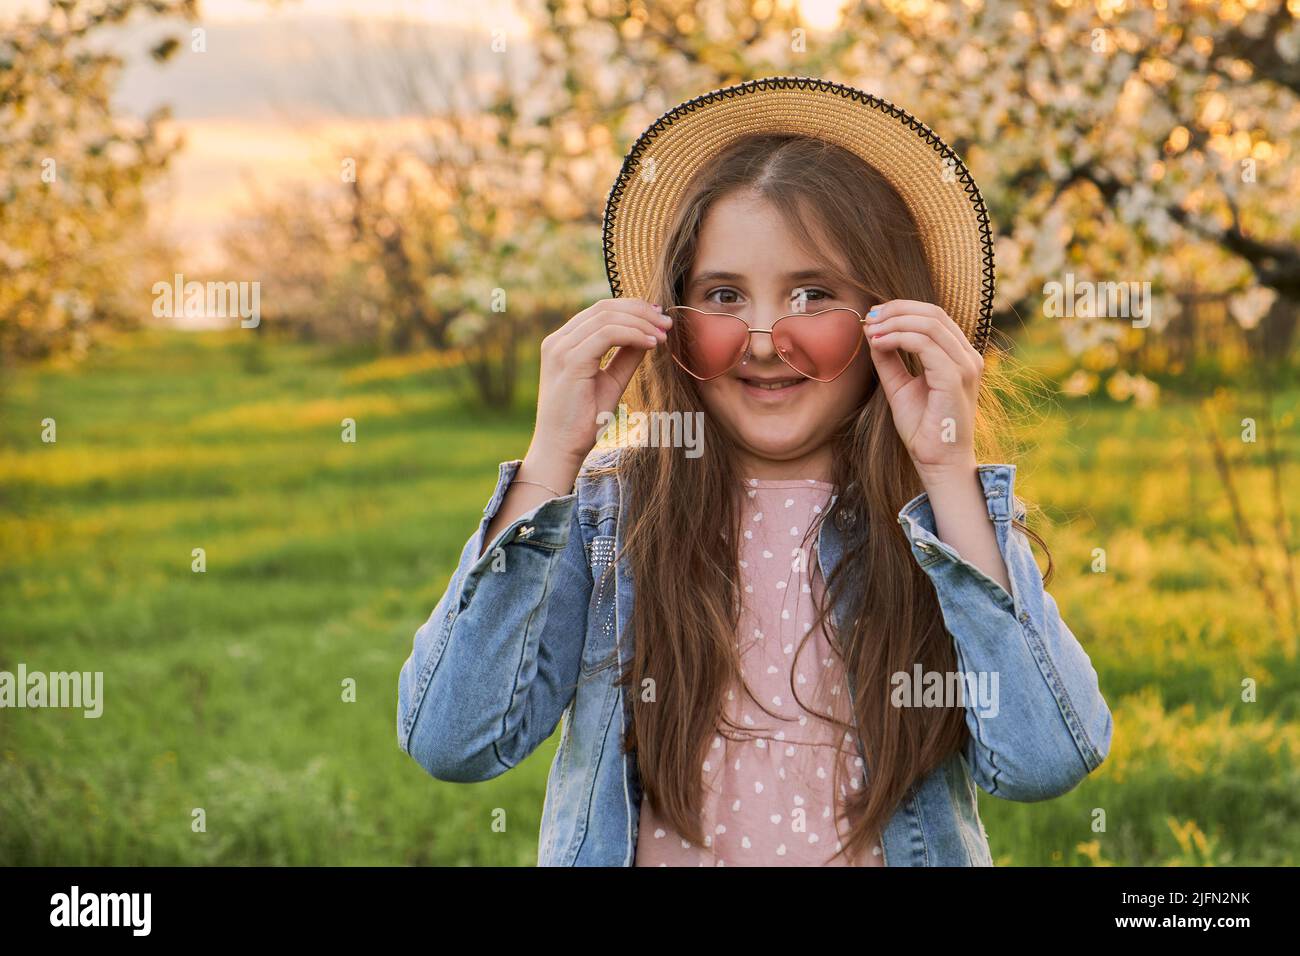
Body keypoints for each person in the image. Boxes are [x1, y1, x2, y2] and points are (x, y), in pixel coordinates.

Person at [397, 76, 1112, 866]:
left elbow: (1045, 759)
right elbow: (453, 739)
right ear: (672, 322)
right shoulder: (614, 515)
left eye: (813, 295)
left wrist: (947, 473)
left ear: (888, 319)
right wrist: (549, 464)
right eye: (724, 295)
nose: (766, 338)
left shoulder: (930, 525)